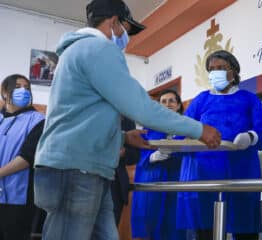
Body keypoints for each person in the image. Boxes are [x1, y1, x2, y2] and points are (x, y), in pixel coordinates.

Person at [33, 0, 221, 240]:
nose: (125, 37)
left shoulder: (75, 53)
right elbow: (141, 107)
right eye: (124, 29)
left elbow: (78, 115)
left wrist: (123, 137)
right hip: (76, 170)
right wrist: (198, 129)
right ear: (113, 22)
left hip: (85, 167)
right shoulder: (98, 49)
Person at [177, 50, 262, 240]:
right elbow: (183, 131)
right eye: (212, 69)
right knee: (206, 231)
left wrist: (251, 137)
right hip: (205, 178)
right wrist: (169, 146)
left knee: (245, 231)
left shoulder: (249, 99)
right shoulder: (201, 100)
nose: (215, 72)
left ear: (234, 71)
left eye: (221, 68)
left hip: (242, 175)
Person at [131, 89, 187, 240]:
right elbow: (140, 156)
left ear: (179, 105)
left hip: (178, 182)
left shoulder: (187, 127)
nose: (167, 104)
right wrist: (152, 157)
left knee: (175, 226)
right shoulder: (149, 129)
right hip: (153, 184)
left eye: (171, 101)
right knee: (151, 227)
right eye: (163, 101)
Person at [109, 2, 143, 226]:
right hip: (84, 179)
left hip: (114, 185)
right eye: (124, 29)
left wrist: (122, 152)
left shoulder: (124, 104)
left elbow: (133, 152)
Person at [0, 74, 45, 240]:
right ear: (4, 91)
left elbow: (27, 158)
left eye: (27, 88)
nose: (23, 91)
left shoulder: (38, 120)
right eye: (18, 87)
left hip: (18, 197)